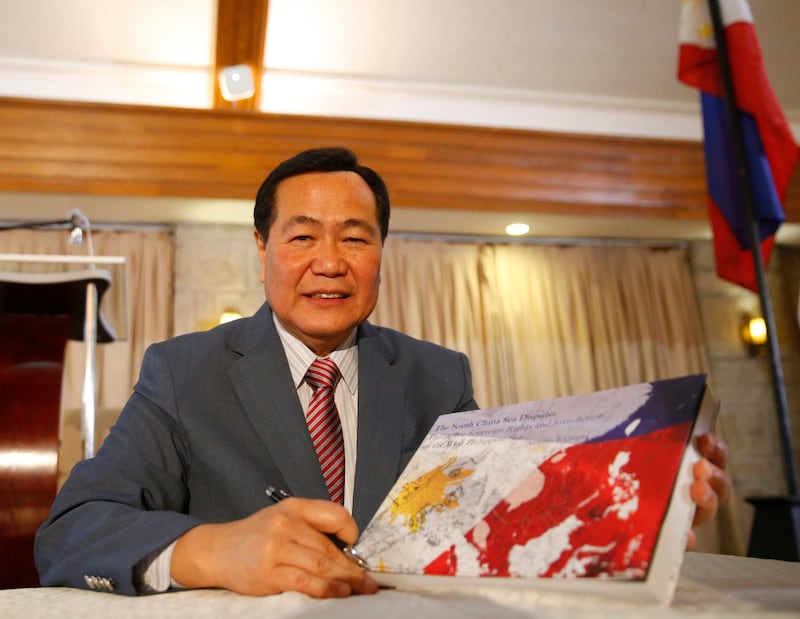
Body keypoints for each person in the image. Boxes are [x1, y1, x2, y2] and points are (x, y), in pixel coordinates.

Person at [34, 147, 730, 599]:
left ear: (381, 252)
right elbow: (73, 530)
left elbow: (493, 518)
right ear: (264, 247)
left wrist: (639, 505)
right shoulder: (184, 370)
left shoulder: (438, 374)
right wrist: (210, 550)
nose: (330, 261)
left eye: (356, 238)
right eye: (302, 235)